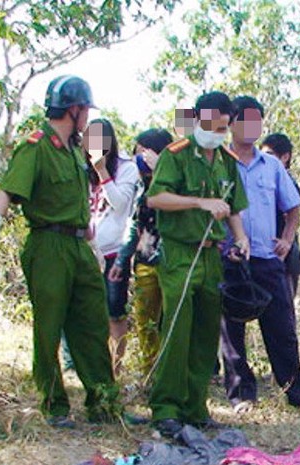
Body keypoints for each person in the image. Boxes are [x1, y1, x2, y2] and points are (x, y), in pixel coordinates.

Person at [0, 75, 137, 429]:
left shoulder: (74, 152)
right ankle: (55, 405)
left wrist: (92, 243)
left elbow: (82, 202)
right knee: (49, 327)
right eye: (85, 111)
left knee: (93, 324)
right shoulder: (36, 146)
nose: (87, 118)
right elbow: (9, 189)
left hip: (80, 245)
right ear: (74, 109)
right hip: (48, 244)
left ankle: (104, 402)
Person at [144, 91, 250, 438]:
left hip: (212, 254)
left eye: (222, 127)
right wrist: (199, 203)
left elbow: (233, 205)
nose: (215, 132)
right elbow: (156, 197)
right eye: (210, 125)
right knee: (177, 330)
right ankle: (167, 409)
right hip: (180, 253)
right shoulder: (175, 155)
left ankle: (195, 407)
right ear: (197, 119)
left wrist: (240, 237)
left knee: (206, 333)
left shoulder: (227, 159)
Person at [220, 96, 300, 414]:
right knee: (232, 332)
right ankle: (242, 395)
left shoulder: (273, 167)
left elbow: (292, 208)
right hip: (230, 260)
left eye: (257, 120)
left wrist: (287, 239)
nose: (252, 126)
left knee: (282, 328)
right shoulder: (219, 162)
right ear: (231, 123)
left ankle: (298, 393)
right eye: (245, 120)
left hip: (268, 258)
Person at [109, 128, 174, 380]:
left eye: (144, 154)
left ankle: (170, 375)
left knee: (170, 323)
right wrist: (123, 259)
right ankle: (151, 374)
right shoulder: (140, 185)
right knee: (145, 323)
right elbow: (134, 224)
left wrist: (161, 170)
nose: (140, 159)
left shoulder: (174, 179)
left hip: (172, 262)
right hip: (145, 261)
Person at [84, 118, 140, 377]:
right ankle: (94, 368)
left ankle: (115, 370)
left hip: (114, 252)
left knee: (115, 312)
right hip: (87, 250)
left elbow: (120, 205)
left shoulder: (126, 168)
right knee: (90, 314)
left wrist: (103, 172)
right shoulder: (81, 170)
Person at [261, 132, 300, 298]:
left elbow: (292, 215)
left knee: (284, 312)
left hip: (283, 257)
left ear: (285, 157)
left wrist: (284, 246)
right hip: (263, 255)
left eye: (270, 155)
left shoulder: (288, 183)